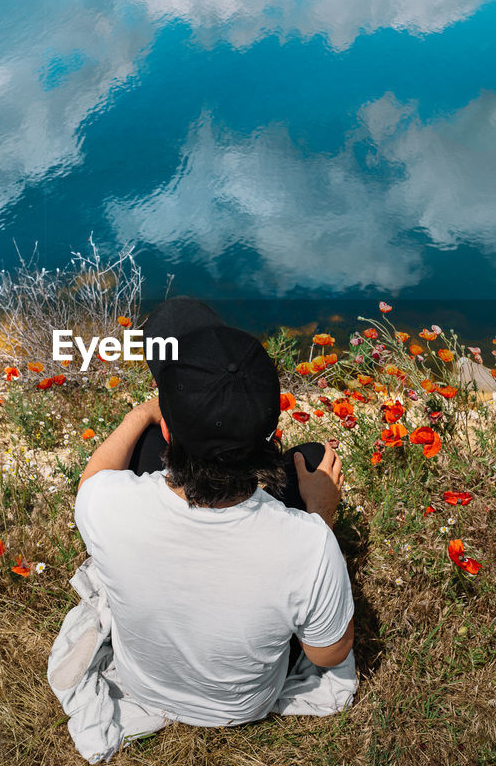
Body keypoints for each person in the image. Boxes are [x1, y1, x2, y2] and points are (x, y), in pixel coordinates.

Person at [59, 298, 356, 744]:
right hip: (242, 704)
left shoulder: (105, 505)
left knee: (138, 428)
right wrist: (321, 516)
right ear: (270, 433)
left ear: (168, 434)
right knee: (311, 460)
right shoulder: (306, 546)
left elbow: (94, 477)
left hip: (145, 684)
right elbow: (329, 654)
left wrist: (142, 412)